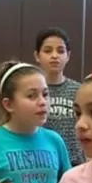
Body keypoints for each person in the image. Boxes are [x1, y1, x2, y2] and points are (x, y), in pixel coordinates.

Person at [34, 28, 82, 166]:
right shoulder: (31, 91)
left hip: (75, 163)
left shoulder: (79, 91)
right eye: (48, 50)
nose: (55, 56)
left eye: (61, 51)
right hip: (41, 162)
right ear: (37, 55)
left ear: (68, 56)